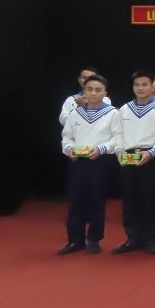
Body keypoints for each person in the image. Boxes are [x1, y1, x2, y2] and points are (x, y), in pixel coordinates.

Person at [58, 74, 120, 255]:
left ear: (105, 93)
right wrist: (68, 149)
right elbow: (67, 136)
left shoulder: (113, 113)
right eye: (90, 89)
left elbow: (117, 138)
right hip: (78, 161)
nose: (93, 93)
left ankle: (94, 238)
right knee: (75, 199)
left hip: (100, 161)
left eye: (98, 90)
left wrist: (101, 148)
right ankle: (74, 240)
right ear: (84, 91)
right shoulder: (75, 114)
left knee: (96, 199)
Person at [113, 71, 155, 255]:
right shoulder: (124, 109)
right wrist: (119, 151)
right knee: (130, 199)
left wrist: (151, 152)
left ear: (153, 86)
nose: (140, 88)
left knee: (150, 199)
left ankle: (149, 240)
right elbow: (118, 134)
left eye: (145, 84)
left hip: (151, 156)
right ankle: (132, 238)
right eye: (137, 85)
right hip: (128, 156)